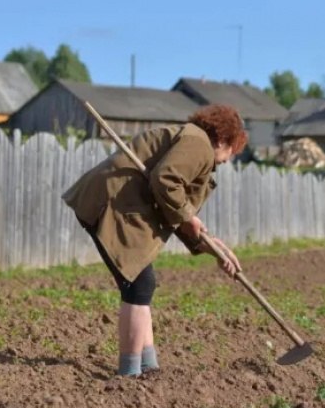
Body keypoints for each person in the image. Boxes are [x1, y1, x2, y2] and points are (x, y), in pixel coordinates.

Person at [61, 104, 246, 377]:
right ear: (222, 139)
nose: (228, 159)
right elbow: (166, 180)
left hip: (115, 204)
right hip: (113, 205)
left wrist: (211, 247)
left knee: (140, 285)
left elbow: (175, 204)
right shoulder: (198, 143)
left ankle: (148, 367)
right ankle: (129, 373)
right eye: (232, 150)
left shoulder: (194, 142)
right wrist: (188, 217)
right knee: (139, 286)